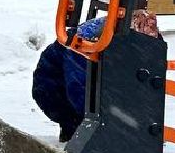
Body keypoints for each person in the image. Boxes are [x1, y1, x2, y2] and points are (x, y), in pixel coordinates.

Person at [32, 9, 161, 142]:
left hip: (70, 78)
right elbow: (78, 88)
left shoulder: (124, 33)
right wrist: (101, 121)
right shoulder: (87, 44)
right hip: (51, 89)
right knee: (83, 122)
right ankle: (75, 131)